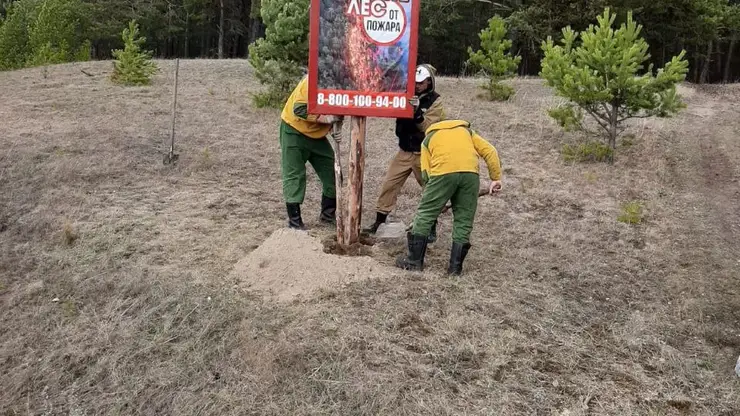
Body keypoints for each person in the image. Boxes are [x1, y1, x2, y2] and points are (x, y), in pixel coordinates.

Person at [395, 119, 503, 275]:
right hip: (470, 176)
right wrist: (495, 178)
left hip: (442, 174)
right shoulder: (467, 132)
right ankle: (455, 268)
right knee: (464, 219)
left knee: (425, 213)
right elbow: (490, 151)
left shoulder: (428, 139)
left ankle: (414, 261)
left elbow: (426, 174)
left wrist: (435, 199)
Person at [364, 64, 445, 241]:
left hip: (423, 153)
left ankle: (430, 227)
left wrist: (417, 113)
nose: (417, 85)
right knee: (389, 184)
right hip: (404, 151)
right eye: (414, 82)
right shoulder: (404, 94)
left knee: (430, 190)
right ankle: (379, 221)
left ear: (429, 82)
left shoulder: (436, 102)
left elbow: (430, 127)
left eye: (421, 83)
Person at [280, 75, 343, 229]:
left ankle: (327, 215)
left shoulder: (344, 83)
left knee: (332, 171)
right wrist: (326, 119)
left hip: (317, 136)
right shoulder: (312, 80)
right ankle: (295, 222)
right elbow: (299, 108)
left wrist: (336, 128)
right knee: (294, 175)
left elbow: (342, 109)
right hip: (294, 131)